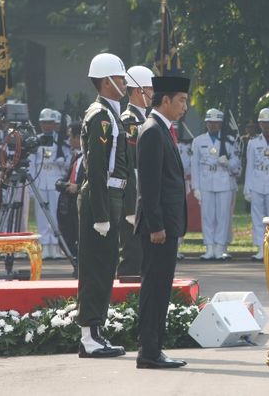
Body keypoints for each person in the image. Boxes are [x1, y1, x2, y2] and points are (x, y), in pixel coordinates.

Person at [76, 53, 130, 358]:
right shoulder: (100, 116)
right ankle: (88, 335)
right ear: (107, 81)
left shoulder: (110, 114)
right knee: (96, 268)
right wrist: (100, 213)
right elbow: (96, 168)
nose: (124, 83)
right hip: (102, 197)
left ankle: (96, 331)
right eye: (120, 78)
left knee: (106, 266)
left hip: (112, 197)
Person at [135, 75, 190, 369]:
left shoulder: (162, 130)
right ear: (165, 100)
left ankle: (154, 347)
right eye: (181, 100)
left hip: (167, 226)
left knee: (160, 287)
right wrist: (156, 225)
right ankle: (149, 351)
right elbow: (149, 186)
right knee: (154, 287)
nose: (185, 106)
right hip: (158, 229)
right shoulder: (153, 131)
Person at [117, 65, 154, 277]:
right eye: (150, 88)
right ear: (139, 90)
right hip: (134, 194)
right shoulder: (130, 121)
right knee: (132, 251)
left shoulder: (144, 120)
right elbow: (131, 166)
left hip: (144, 193)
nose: (153, 94)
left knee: (143, 251)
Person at [191, 108, 241, 260]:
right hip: (206, 182)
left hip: (224, 181)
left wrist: (228, 163)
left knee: (223, 216)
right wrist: (196, 187)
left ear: (220, 124)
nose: (213, 125)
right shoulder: (198, 141)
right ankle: (209, 248)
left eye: (216, 123)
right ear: (206, 123)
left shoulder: (229, 141)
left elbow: (237, 162)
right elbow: (194, 166)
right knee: (207, 216)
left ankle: (220, 248)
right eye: (210, 123)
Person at [30, 107, 70, 259]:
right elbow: (32, 164)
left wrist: (61, 163)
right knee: (42, 216)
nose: (47, 125)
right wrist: (31, 186)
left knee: (55, 215)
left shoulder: (61, 142)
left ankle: (55, 245)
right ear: (40, 124)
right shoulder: (36, 141)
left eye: (50, 123)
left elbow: (68, 163)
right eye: (44, 122)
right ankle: (44, 246)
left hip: (55, 182)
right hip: (41, 182)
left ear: (55, 124)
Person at [243, 107, 269, 261]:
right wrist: (247, 188)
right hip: (257, 182)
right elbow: (249, 166)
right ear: (259, 124)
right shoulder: (253, 143)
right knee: (258, 217)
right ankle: (260, 248)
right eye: (263, 123)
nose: (266, 126)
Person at [56, 122, 85, 259]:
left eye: (70, 136)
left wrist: (78, 187)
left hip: (81, 205)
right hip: (69, 206)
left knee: (80, 239)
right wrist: (62, 184)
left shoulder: (89, 156)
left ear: (78, 137)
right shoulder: (76, 156)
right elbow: (68, 176)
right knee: (67, 238)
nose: (69, 140)